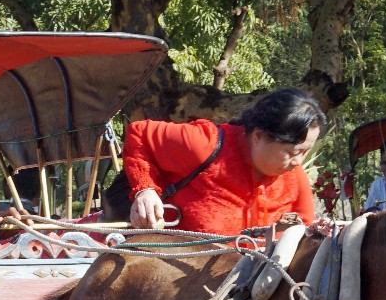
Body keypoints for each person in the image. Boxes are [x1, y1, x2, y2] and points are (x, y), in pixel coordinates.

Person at [121, 88, 324, 233]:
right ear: (258, 136)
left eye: (305, 152)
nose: (298, 162)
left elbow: (305, 228)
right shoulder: (203, 145)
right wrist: (145, 190)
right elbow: (139, 134)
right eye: (291, 152)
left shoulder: (294, 177)